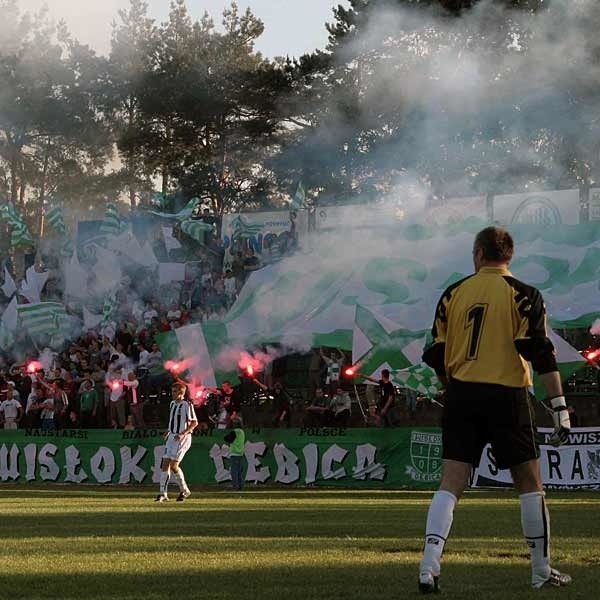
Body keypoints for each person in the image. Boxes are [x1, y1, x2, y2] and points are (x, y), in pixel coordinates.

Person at [418, 226, 572, 593]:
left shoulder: (452, 293)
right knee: (530, 484)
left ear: (477, 254)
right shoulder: (524, 295)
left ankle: (428, 565)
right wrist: (560, 408)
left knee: (451, 482)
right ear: (510, 255)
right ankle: (540, 571)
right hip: (507, 395)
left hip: (461, 395)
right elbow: (541, 354)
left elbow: (436, 354)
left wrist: (449, 385)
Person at [156, 382, 198, 502]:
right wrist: (168, 431)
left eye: (174, 391)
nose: (172, 393)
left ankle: (184, 490)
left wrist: (183, 433)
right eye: (172, 391)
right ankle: (163, 493)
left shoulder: (187, 405)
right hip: (172, 437)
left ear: (181, 393)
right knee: (165, 464)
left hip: (182, 438)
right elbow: (172, 420)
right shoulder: (172, 404)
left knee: (174, 466)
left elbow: (194, 422)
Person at [224, 422, 245, 491]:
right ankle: (241, 486)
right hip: (241, 453)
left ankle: (235, 486)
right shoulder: (242, 432)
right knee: (239, 471)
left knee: (234, 472)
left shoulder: (235, 432)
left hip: (234, 453)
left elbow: (227, 439)